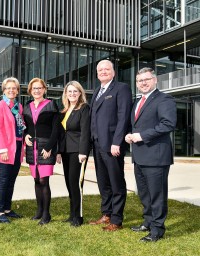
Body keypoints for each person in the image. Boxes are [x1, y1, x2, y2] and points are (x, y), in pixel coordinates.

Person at [125, 67, 176, 242]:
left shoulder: (164, 99)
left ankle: (157, 230)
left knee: (157, 195)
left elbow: (168, 124)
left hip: (156, 157)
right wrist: (130, 135)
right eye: (140, 80)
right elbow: (137, 125)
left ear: (155, 80)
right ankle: (148, 222)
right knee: (145, 194)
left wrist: (141, 136)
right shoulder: (138, 101)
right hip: (140, 156)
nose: (143, 83)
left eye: (147, 79)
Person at [89, 60, 132, 231]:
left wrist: (117, 142)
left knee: (116, 182)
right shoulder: (97, 91)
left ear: (114, 72)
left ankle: (117, 219)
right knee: (103, 181)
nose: (103, 72)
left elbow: (123, 117)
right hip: (98, 144)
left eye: (107, 69)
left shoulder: (121, 89)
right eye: (100, 70)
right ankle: (106, 213)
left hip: (112, 145)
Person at [23, 78, 59, 225]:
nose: (36, 91)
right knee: (36, 180)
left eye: (39, 88)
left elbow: (56, 129)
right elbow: (25, 126)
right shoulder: (27, 106)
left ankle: (46, 214)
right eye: (34, 88)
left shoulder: (51, 105)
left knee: (44, 180)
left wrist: (49, 147)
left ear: (44, 89)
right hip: (32, 147)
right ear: (30, 91)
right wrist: (25, 135)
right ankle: (38, 211)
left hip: (46, 147)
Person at [56, 81, 91, 227]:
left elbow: (85, 131)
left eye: (75, 91)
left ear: (80, 93)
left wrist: (83, 152)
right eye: (69, 92)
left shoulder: (84, 108)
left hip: (78, 151)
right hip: (65, 150)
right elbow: (59, 133)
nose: (72, 94)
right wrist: (58, 151)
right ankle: (72, 214)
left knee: (76, 184)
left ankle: (79, 216)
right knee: (69, 183)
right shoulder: (64, 110)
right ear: (66, 94)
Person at [0, 77, 25, 224]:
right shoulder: (0, 106)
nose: (11, 90)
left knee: (11, 180)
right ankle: (0, 212)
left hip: (18, 147)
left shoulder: (19, 106)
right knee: (3, 180)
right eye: (8, 88)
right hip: (5, 148)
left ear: (17, 91)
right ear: (4, 90)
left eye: (14, 88)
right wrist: (2, 150)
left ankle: (7, 208)